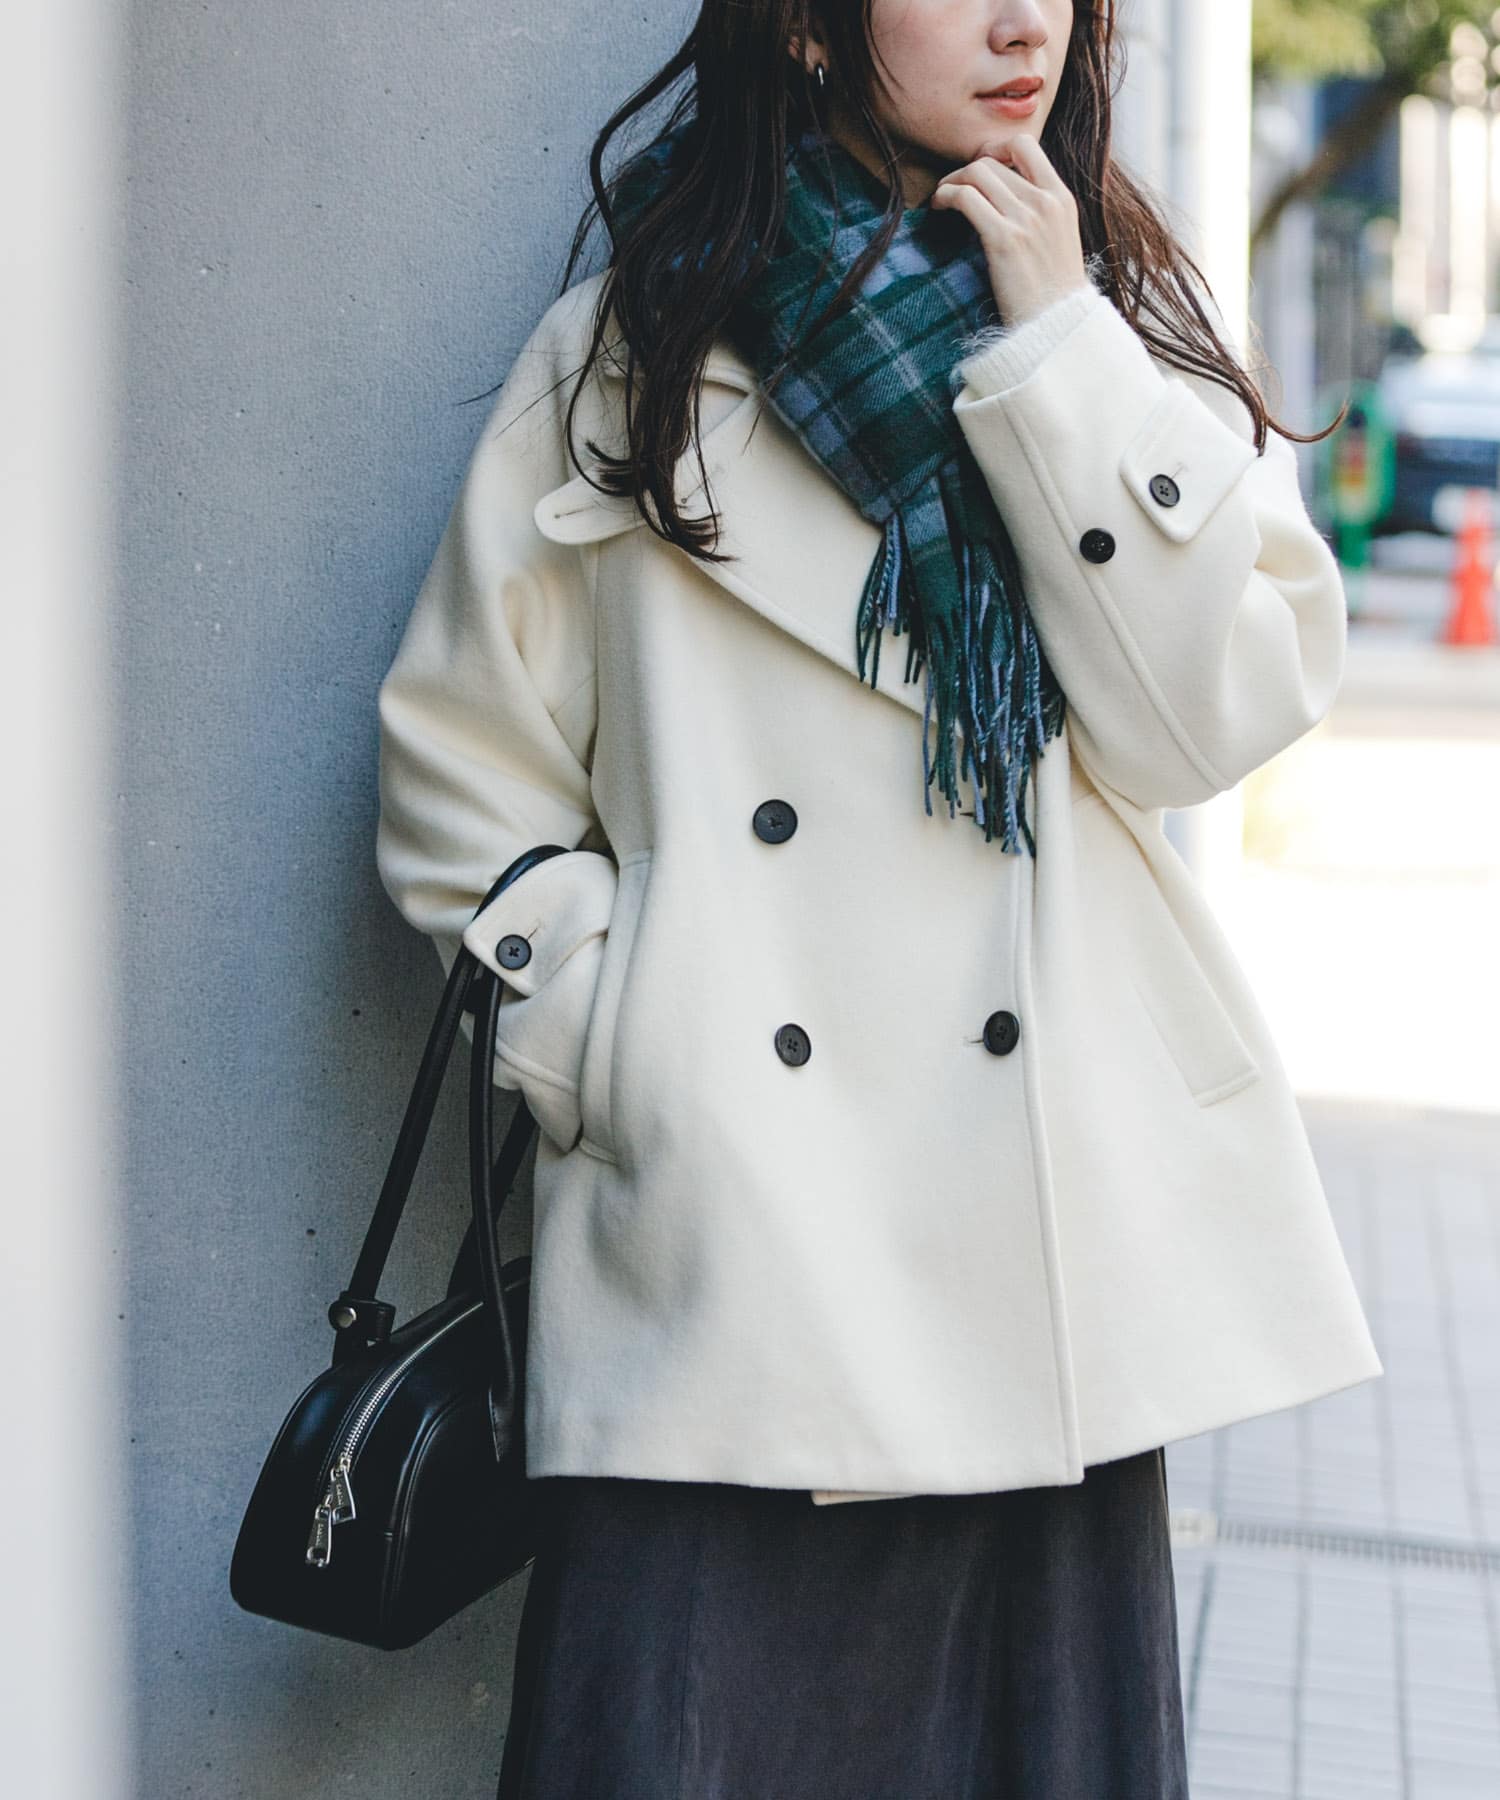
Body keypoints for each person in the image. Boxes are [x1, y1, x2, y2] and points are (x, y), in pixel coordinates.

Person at [374, 2, 1384, 1794]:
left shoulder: (1120, 329)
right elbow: (464, 776)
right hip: (733, 1267)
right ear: (808, 28)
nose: (1023, 20)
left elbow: (1199, 729)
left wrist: (1058, 348)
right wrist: (639, 1045)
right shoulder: (631, 355)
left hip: (1038, 1279)